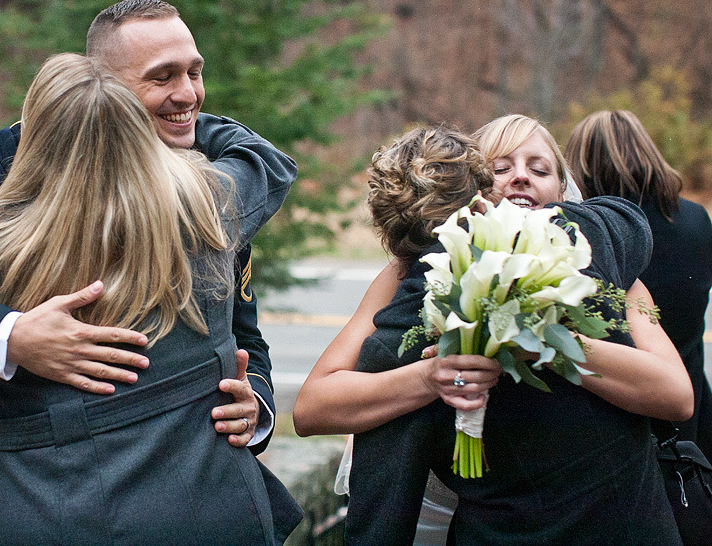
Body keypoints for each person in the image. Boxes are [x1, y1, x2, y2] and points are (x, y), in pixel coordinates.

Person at [0, 0, 296, 531]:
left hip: (172, 483)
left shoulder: (205, 180)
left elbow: (246, 336)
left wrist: (258, 405)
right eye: (162, 77)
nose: (189, 94)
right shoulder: (19, 157)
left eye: (195, 72)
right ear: (98, 87)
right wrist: (8, 336)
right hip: (44, 481)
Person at [293, 121, 692, 545]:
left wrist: (544, 336)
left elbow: (676, 397)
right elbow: (313, 407)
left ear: (562, 191)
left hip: (625, 528)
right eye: (501, 168)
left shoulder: (605, 267)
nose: (521, 176)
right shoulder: (413, 277)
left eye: (539, 169)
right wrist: (430, 376)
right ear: (473, 192)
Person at [565, 109, 712, 458]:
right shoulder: (696, 220)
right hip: (691, 409)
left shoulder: (591, 238)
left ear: (579, 166)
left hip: (619, 409)